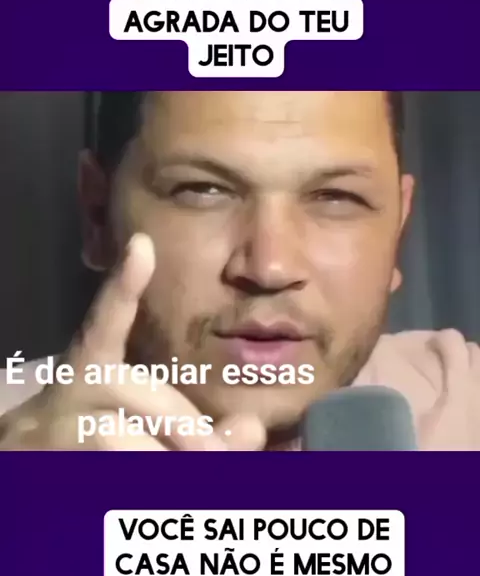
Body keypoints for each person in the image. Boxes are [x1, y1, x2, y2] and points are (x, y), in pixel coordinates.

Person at [0, 91, 478, 451]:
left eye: (337, 197)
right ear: (98, 216)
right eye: (202, 190)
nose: (270, 268)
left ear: (398, 231)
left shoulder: (463, 401)